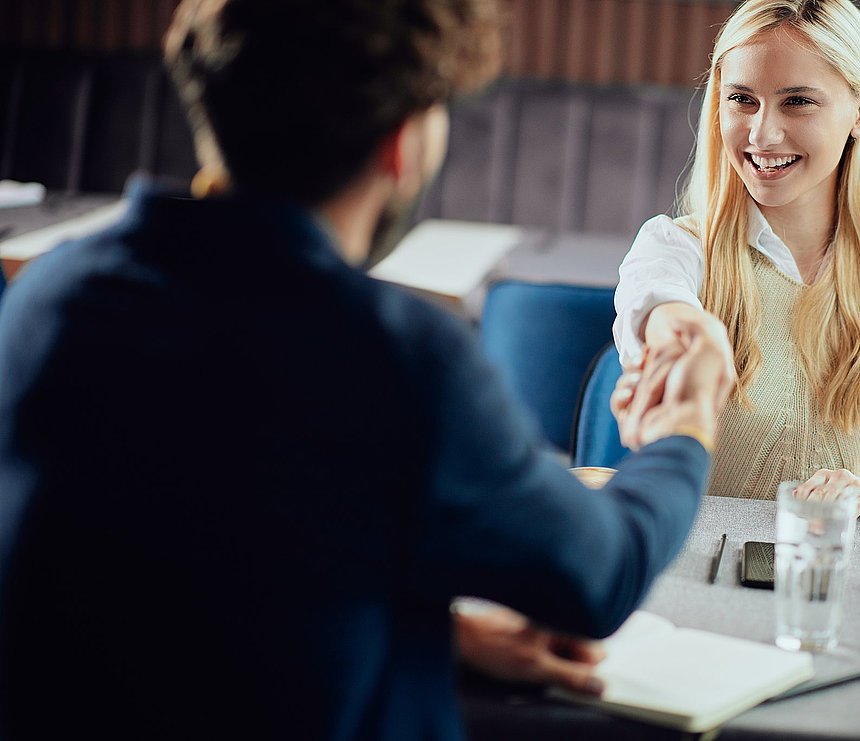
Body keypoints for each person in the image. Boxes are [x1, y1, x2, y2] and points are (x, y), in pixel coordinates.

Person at [0, 1, 732, 738]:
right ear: (403, 143)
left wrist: (444, 638)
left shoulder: (46, 297)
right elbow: (598, 576)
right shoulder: (393, 359)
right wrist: (684, 429)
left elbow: (174, 572)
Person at [612, 0, 860, 517]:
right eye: (742, 100)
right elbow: (659, 307)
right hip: (687, 562)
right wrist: (688, 335)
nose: (761, 134)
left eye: (797, 101)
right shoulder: (673, 248)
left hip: (827, 569)